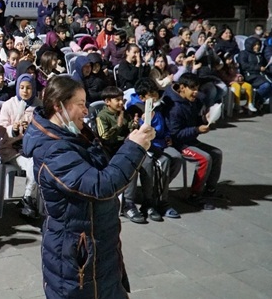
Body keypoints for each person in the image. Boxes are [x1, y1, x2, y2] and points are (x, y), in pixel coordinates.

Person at [22, 76, 153, 298]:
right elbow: (100, 186)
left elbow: (104, 169)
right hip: (77, 260)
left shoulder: (75, 136)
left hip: (99, 250)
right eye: (81, 104)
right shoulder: (53, 150)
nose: (86, 112)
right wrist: (134, 148)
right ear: (58, 106)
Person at [162, 73, 224, 210]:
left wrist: (204, 119)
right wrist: (196, 130)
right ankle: (195, 195)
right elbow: (175, 134)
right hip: (177, 144)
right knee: (204, 158)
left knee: (217, 153)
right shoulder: (174, 107)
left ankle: (210, 190)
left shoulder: (193, 101)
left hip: (189, 139)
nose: (196, 92)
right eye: (193, 89)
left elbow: (193, 121)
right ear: (182, 88)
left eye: (197, 88)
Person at [124, 78, 183, 221]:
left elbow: (164, 126)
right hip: (147, 145)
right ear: (142, 97)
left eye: (155, 93)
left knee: (176, 157)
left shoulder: (158, 106)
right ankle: (156, 201)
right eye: (150, 94)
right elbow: (135, 132)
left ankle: (158, 192)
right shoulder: (135, 109)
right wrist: (143, 122)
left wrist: (168, 136)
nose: (154, 96)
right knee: (161, 162)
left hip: (161, 142)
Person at [0, 73, 42, 218]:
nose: (25, 91)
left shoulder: (39, 106)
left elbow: (44, 128)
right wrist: (14, 129)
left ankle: (28, 198)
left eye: (29, 88)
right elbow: (1, 130)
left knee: (38, 162)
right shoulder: (9, 104)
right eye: (22, 87)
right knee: (32, 164)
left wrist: (31, 126)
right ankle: (29, 199)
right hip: (11, 148)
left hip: (32, 147)